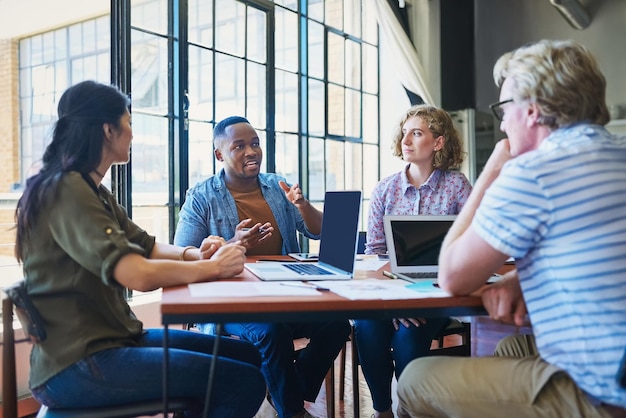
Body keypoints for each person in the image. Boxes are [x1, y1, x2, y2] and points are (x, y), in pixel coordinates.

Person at [397, 39, 626, 418]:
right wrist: (523, 276)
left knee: (415, 377)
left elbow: (452, 276)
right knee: (510, 351)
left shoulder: (533, 172)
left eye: (505, 108)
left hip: (605, 393)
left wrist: (493, 169)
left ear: (533, 111)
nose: (502, 122)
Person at [14, 81, 266, 418]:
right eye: (129, 123)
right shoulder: (66, 189)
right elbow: (136, 273)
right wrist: (213, 268)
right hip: (78, 362)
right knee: (243, 381)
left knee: (246, 357)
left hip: (113, 339)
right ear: (108, 130)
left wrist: (197, 255)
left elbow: (145, 246)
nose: (132, 133)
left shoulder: (93, 190)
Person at [174, 116, 351, 418]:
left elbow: (321, 231)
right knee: (271, 332)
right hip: (231, 305)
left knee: (337, 324)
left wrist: (302, 205)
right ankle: (292, 411)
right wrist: (234, 243)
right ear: (219, 154)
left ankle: (288, 392)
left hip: (285, 297)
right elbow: (182, 255)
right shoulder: (201, 196)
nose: (251, 151)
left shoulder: (275, 186)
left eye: (255, 143)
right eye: (239, 146)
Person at [354, 104, 472, 417]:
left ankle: (408, 408)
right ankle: (383, 410)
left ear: (438, 142)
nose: (406, 140)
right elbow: (376, 252)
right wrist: (397, 300)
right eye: (405, 133)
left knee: (408, 336)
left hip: (437, 290)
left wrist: (415, 299)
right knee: (367, 326)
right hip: (392, 289)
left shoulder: (456, 186)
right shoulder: (385, 189)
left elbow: (468, 247)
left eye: (417, 133)